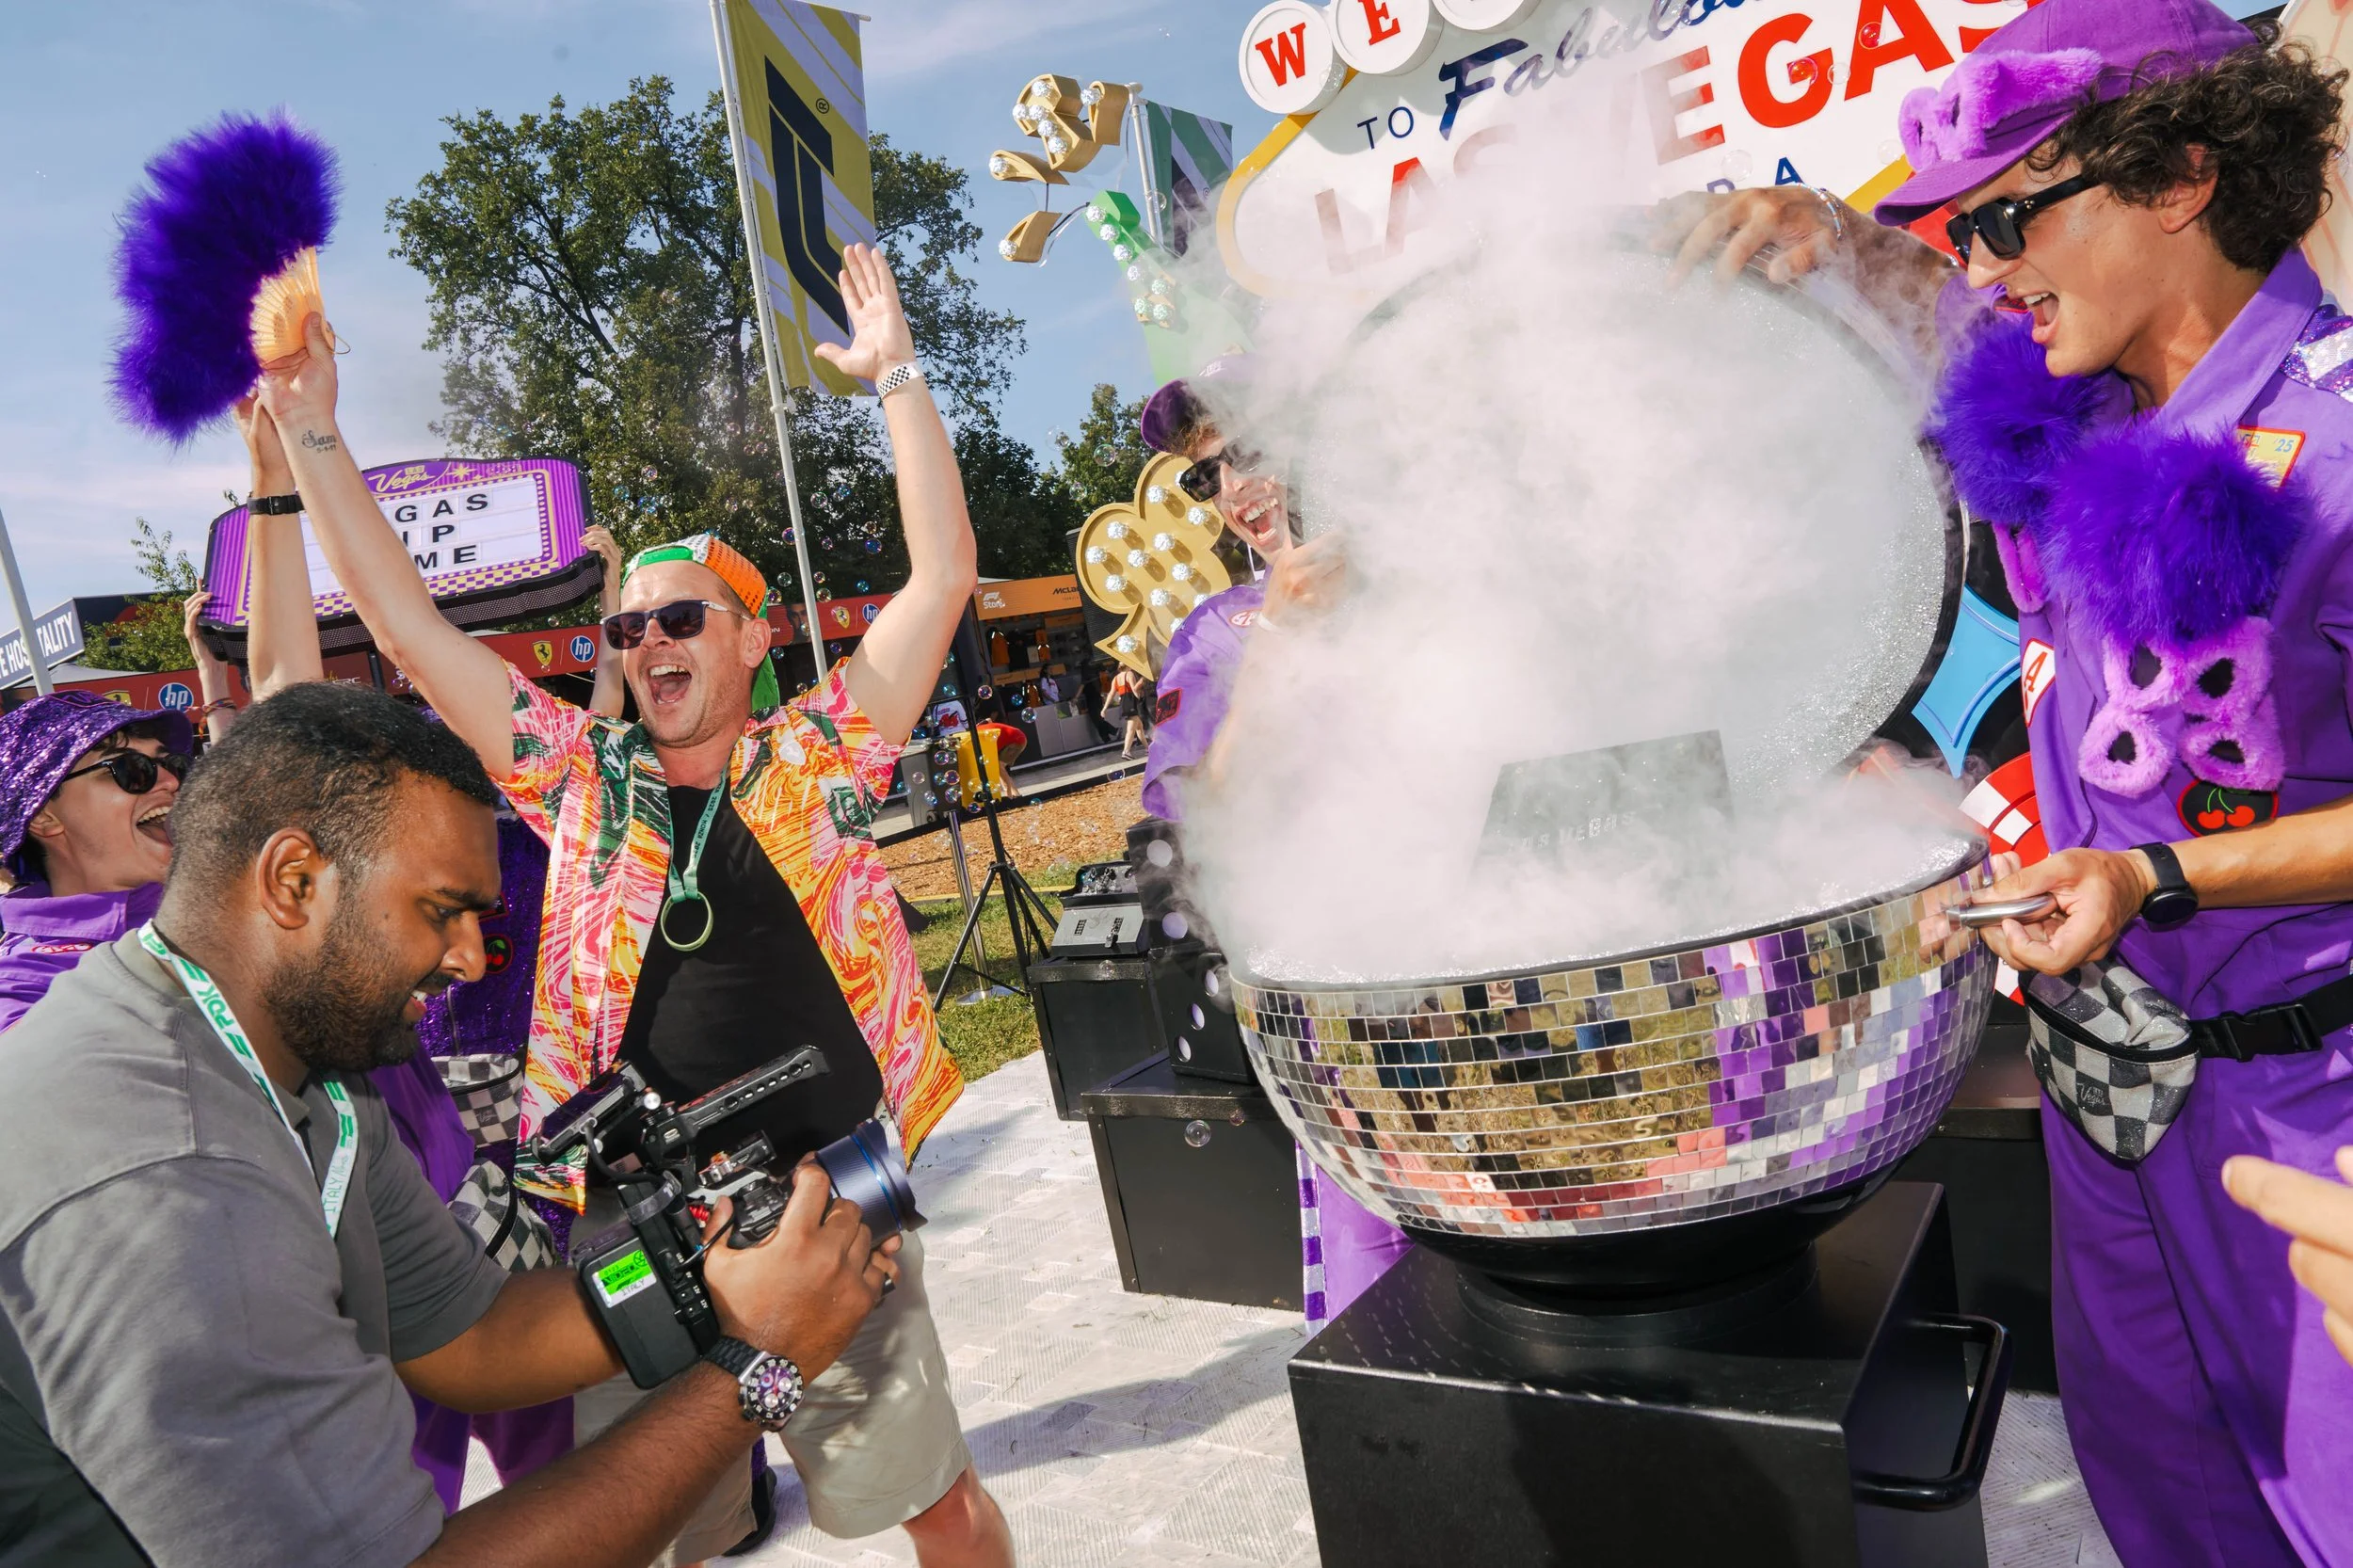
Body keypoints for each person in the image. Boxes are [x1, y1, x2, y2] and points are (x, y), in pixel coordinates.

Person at [1662, 2, 2353, 1560]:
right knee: (2167, 1503)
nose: (1979, 266)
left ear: (2180, 176)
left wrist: (2154, 878)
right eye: (1960, 232)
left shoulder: (2339, 435)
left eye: (2005, 218)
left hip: (2316, 1109)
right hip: (2109, 1104)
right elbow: (1955, 329)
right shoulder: (2078, 422)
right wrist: (1841, 245)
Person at [262, 243, 1011, 1567]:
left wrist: (896, 374)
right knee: (651, 1529)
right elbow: (407, 624)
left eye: (680, 621)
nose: (648, 643)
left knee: (931, 1498)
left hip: (831, 1204)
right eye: (627, 629)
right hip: (638, 1223)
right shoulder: (576, 775)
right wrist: (313, 425)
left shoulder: (821, 750)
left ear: (752, 638)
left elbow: (941, 570)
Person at [0, 681, 895, 1568]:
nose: (469, 960)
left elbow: (471, 1331)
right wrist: (756, 1363)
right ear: (293, 881)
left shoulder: (289, 1055)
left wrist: (716, 1268)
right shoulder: (168, 1179)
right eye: (441, 911)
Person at [1131, 363, 1404, 1331]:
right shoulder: (1217, 632)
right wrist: (1280, 643)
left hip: (1499, 964)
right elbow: (1197, 816)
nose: (1236, 489)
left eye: (1250, 451)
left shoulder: (1430, 576)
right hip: (1340, 1015)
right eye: (1207, 476)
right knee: (1381, 1306)